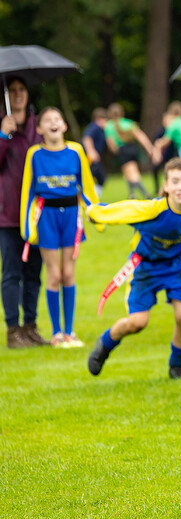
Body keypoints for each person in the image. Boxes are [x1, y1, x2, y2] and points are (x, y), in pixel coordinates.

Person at [87, 158, 181, 379]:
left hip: (178, 266)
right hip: (145, 267)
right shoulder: (151, 209)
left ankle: (177, 366)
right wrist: (95, 214)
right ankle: (105, 344)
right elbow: (122, 210)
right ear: (165, 186)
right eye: (175, 182)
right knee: (137, 323)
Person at [20, 107, 99, 348]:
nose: (53, 123)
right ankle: (56, 334)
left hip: (71, 217)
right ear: (39, 128)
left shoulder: (76, 151)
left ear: (64, 126)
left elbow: (86, 187)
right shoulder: (34, 154)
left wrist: (96, 214)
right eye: (47, 120)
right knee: (54, 275)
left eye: (58, 119)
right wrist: (27, 227)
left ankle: (69, 332)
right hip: (47, 218)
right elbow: (28, 191)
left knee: (68, 274)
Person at [0, 76, 47, 348]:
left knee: (33, 273)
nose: (18, 95)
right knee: (11, 273)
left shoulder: (37, 126)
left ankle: (31, 325)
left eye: (22, 90)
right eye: (13, 90)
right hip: (8, 214)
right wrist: (4, 134)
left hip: (37, 214)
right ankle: (13, 330)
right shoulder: (3, 126)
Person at [104, 103, 157, 199]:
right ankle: (132, 194)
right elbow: (140, 136)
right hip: (132, 148)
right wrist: (149, 148)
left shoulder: (109, 126)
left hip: (123, 150)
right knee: (128, 172)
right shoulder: (128, 123)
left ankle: (145, 194)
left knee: (132, 173)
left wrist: (116, 151)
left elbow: (111, 143)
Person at [81, 107, 108, 197]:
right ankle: (88, 197)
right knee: (90, 178)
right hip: (89, 158)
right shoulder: (94, 127)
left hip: (93, 158)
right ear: (99, 119)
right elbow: (87, 138)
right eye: (105, 120)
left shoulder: (100, 130)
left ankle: (94, 197)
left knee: (101, 178)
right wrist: (91, 152)